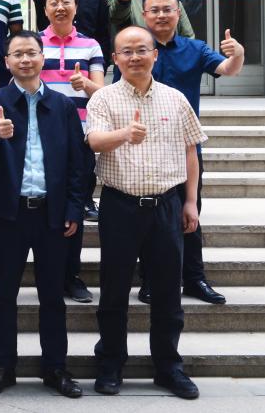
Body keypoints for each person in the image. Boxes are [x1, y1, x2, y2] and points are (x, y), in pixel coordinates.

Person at [87, 26, 206, 400]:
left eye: (142, 49)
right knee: (114, 291)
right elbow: (93, 140)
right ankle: (110, 365)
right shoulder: (103, 98)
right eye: (127, 51)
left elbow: (191, 151)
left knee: (168, 293)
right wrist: (124, 134)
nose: (135, 57)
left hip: (166, 206)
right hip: (120, 206)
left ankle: (169, 367)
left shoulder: (175, 99)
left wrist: (190, 202)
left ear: (155, 54)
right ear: (115, 59)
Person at [0, 31, 86, 399]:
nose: (25, 59)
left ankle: (55, 368)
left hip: (52, 215)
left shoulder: (63, 105)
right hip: (9, 214)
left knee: (52, 295)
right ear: (6, 61)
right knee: (4, 294)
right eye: (17, 54)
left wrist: (74, 208)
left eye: (31, 53)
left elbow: (78, 163)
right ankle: (2, 367)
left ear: (43, 57)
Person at [136, 0, 245, 306]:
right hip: (145, 147)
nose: (161, 15)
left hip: (185, 148)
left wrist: (237, 54)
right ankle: (149, 280)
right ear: (144, 15)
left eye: (167, 9)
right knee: (149, 218)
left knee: (190, 214)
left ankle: (194, 278)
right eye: (154, 10)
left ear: (178, 12)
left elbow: (228, 69)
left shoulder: (195, 49)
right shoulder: (136, 48)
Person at [39, 0, 105, 304]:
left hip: (79, 138)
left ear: (76, 7)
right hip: (40, 138)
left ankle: (71, 276)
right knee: (43, 207)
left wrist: (85, 83)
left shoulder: (91, 46)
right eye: (53, 2)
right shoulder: (35, 43)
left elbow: (102, 93)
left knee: (74, 207)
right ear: (45, 9)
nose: (60, 7)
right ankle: (48, 273)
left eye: (66, 1)